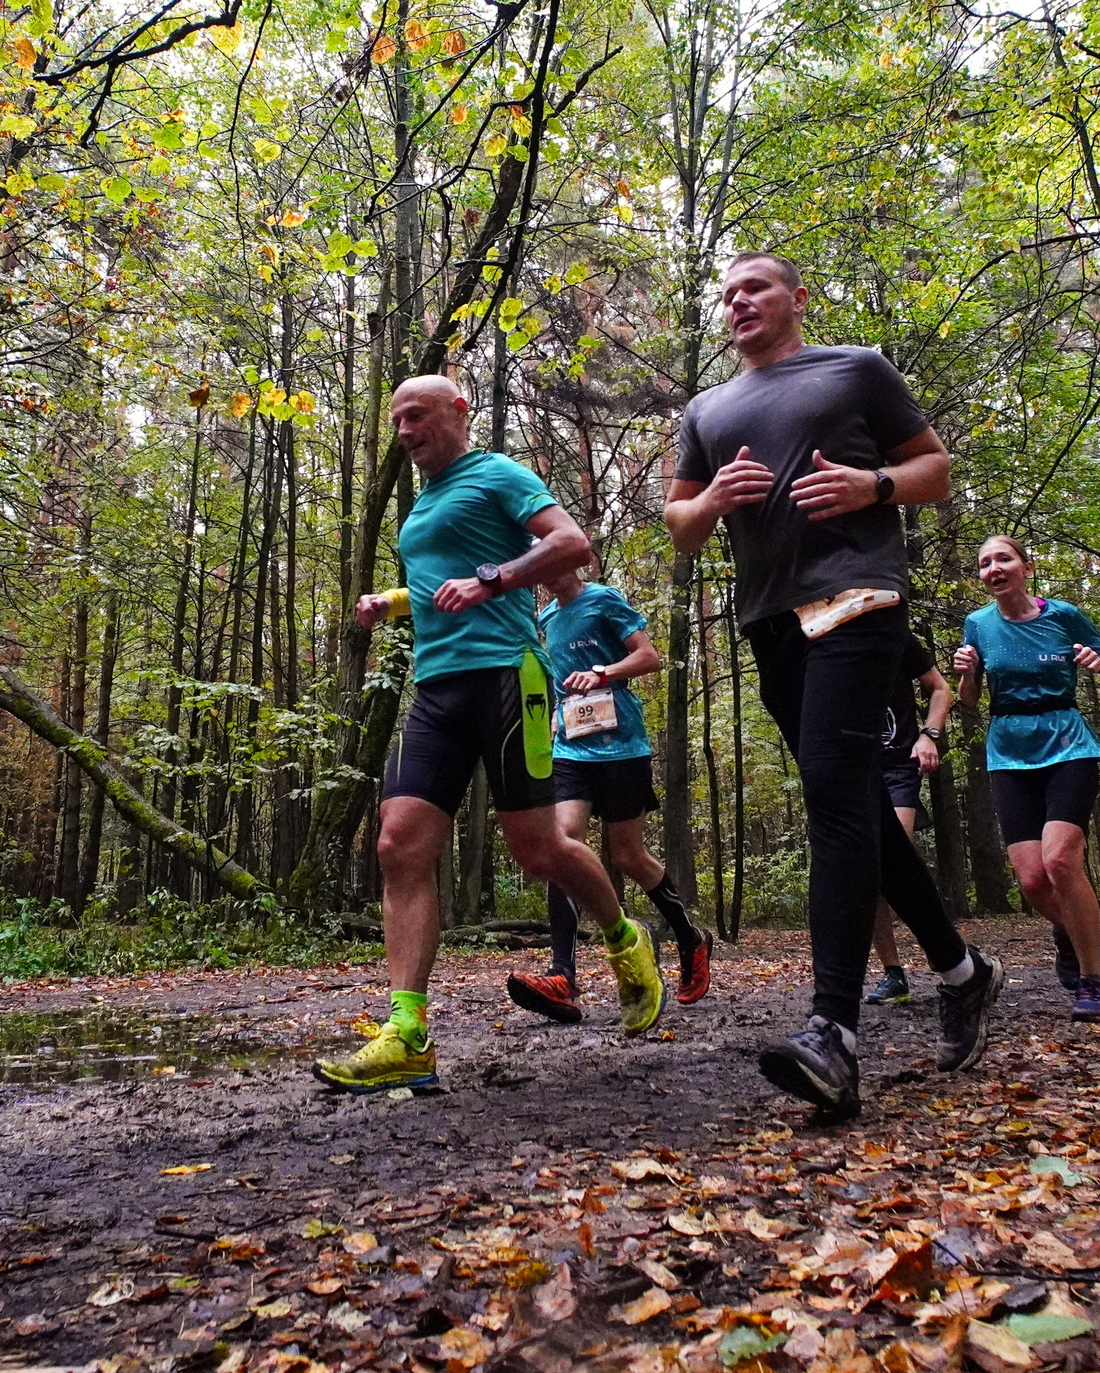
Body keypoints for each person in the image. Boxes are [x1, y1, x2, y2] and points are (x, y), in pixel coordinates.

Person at [664, 251, 1001, 1118]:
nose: (739, 301)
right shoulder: (707, 408)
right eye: (728, 294)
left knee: (832, 800)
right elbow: (680, 524)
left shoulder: (855, 369)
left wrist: (871, 484)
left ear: (796, 296)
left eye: (756, 287)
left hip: (859, 596)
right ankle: (962, 971)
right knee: (847, 796)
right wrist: (711, 503)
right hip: (771, 620)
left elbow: (936, 468)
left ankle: (833, 1033)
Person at [316, 377, 667, 1093]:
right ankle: (408, 1032)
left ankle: (626, 943)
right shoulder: (422, 505)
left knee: (540, 851)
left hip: (510, 676)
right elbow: (438, 583)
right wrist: (389, 601)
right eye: (396, 421)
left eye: (416, 415)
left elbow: (574, 544)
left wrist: (495, 579)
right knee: (397, 843)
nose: (405, 430)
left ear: (458, 410)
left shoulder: (498, 473)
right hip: (438, 686)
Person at [504, 565, 714, 1023]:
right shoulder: (545, 620)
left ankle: (689, 939)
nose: (546, 578)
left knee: (628, 855)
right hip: (570, 749)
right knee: (563, 845)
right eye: (539, 572)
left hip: (621, 745)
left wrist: (603, 672)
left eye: (551, 566)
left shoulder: (604, 599)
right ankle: (563, 976)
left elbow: (649, 657)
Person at [951, 534, 1100, 1023]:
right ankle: (1069, 931)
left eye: (1003, 558)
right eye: (985, 562)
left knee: (1060, 862)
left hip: (1068, 744)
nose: (994, 568)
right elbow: (969, 702)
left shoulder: (1064, 615)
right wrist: (967, 673)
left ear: (1026, 567)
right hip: (1009, 751)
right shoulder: (978, 624)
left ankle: (1093, 981)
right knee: (1032, 880)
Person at [864, 632, 953, 1006]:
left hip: (899, 765)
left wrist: (929, 735)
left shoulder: (895, 636)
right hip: (854, 771)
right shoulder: (816, 639)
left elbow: (940, 688)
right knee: (864, 874)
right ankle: (893, 974)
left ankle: (942, 946)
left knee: (891, 863)